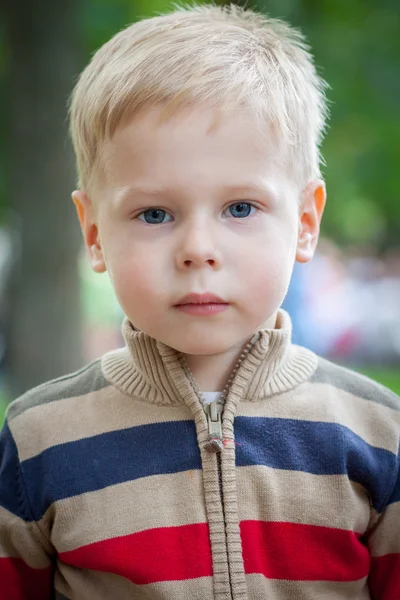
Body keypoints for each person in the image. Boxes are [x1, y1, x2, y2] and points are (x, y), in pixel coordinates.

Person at [0, 5, 399, 599]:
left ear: (306, 222)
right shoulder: (40, 438)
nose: (198, 249)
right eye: (154, 214)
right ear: (93, 233)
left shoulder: (376, 429)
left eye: (240, 208)